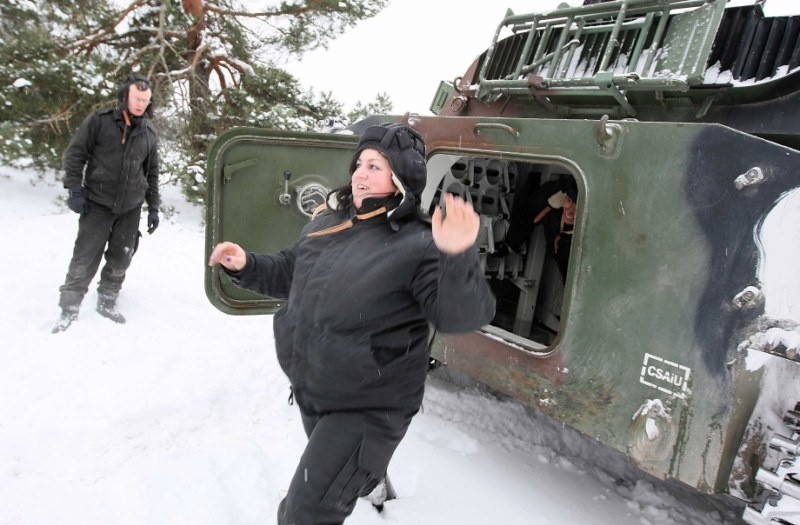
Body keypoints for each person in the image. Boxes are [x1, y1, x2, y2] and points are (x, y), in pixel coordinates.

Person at [208, 124, 495, 524]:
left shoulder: (419, 243)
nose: (360, 173)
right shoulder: (329, 222)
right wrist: (246, 264)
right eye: (359, 163)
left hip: (368, 404)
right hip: (317, 387)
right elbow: (291, 271)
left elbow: (460, 314)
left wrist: (457, 254)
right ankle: (370, 481)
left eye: (375, 166)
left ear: (399, 178)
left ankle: (362, 474)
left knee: (304, 513)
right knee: (342, 475)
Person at [52, 73, 160, 333]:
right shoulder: (99, 122)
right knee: (85, 256)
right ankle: (69, 308)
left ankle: (108, 299)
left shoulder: (149, 132)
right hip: (97, 204)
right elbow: (75, 155)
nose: (140, 104)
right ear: (125, 96)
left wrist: (153, 206)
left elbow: (152, 172)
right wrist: (75, 190)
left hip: (131, 207)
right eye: (136, 98)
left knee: (121, 257)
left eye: (145, 100)